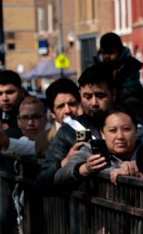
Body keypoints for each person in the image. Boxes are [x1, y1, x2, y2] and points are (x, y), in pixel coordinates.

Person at [37, 64, 117, 193]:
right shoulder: (68, 131)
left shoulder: (133, 125)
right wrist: (65, 163)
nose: (94, 103)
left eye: (100, 96)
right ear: (80, 94)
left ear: (113, 94)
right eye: (87, 96)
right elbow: (43, 181)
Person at [54, 108, 140, 189]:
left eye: (126, 129)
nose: (120, 136)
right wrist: (84, 169)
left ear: (136, 131)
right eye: (113, 130)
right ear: (102, 133)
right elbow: (59, 178)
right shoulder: (93, 150)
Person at [35, 78, 81, 158]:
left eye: (72, 104)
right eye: (61, 106)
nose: (67, 110)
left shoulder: (93, 132)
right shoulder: (42, 140)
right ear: (52, 113)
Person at [97, 32, 143, 103]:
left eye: (111, 52)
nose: (107, 56)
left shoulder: (130, 66)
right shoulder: (98, 67)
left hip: (129, 103)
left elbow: (131, 89)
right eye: (104, 53)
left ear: (119, 52)